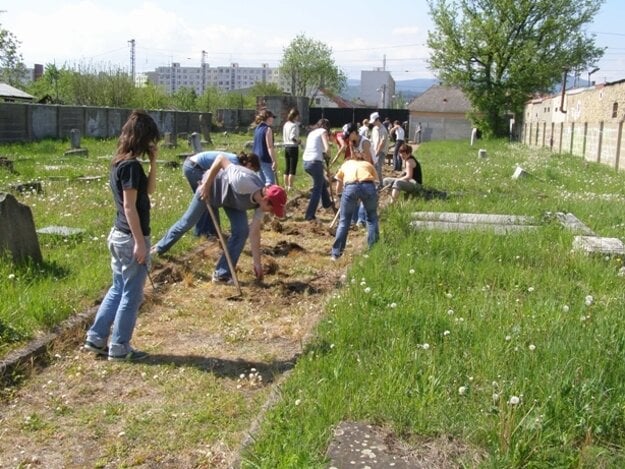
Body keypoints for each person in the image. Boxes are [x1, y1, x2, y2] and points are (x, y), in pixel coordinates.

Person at [84, 110, 160, 361]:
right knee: (131, 294)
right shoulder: (129, 166)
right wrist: (140, 242)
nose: (152, 144)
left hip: (119, 236)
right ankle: (119, 347)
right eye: (150, 140)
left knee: (118, 289)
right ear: (141, 138)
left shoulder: (122, 162)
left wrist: (153, 162)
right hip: (130, 239)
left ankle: (96, 339)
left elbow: (147, 191)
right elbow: (129, 207)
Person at [198, 154, 287, 283]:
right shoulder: (243, 181)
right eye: (272, 209)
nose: (271, 213)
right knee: (187, 222)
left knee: (241, 230)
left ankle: (221, 274)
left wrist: (257, 264)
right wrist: (206, 186)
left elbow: (254, 232)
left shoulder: (261, 203)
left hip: (230, 200)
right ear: (266, 201)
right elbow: (220, 158)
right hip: (210, 187)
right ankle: (159, 249)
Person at [151, 153, 260, 255]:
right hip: (194, 167)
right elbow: (220, 178)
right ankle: (206, 234)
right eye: (253, 170)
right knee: (201, 207)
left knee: (210, 203)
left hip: (198, 167)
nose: (251, 174)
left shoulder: (237, 165)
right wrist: (206, 185)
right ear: (249, 164)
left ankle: (207, 233)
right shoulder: (235, 167)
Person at [331, 146, 379, 260]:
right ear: (362, 159)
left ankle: (336, 254)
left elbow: (339, 185)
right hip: (368, 186)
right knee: (372, 218)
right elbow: (376, 182)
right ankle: (373, 249)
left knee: (344, 221)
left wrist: (340, 197)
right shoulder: (368, 164)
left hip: (350, 186)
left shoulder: (346, 164)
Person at [182, 151, 240, 238]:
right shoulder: (234, 165)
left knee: (209, 199)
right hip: (194, 168)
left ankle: (212, 232)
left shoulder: (236, 161)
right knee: (206, 198)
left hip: (193, 165)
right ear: (248, 164)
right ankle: (203, 232)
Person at [302, 118, 334, 221]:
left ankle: (327, 203)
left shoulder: (312, 133)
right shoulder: (323, 132)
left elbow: (315, 149)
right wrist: (328, 155)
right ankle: (309, 215)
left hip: (306, 162)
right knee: (317, 189)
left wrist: (323, 161)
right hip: (315, 162)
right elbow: (327, 149)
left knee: (321, 182)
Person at [252, 108, 277, 185]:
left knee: (261, 181)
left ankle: (263, 196)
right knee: (270, 181)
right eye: (272, 117)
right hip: (264, 157)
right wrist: (274, 160)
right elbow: (269, 146)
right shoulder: (268, 129)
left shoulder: (257, 128)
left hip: (255, 157)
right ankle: (270, 196)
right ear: (268, 118)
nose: (273, 119)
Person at [282, 108, 301, 191]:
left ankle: (285, 186)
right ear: (296, 116)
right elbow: (292, 137)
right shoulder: (294, 125)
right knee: (292, 168)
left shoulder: (286, 124)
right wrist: (298, 141)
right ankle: (290, 187)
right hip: (293, 147)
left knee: (287, 167)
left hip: (286, 147)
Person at [369, 112, 389, 186]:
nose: (373, 123)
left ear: (377, 120)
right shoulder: (374, 129)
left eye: (374, 121)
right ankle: (375, 182)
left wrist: (377, 152)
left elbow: (382, 142)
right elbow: (372, 140)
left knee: (378, 167)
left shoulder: (383, 129)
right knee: (374, 167)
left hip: (381, 151)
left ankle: (379, 184)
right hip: (374, 150)